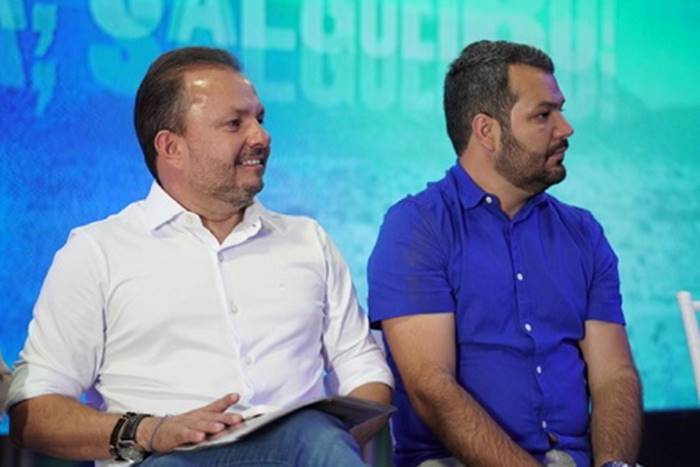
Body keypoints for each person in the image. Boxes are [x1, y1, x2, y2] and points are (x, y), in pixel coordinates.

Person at [7, 46, 393, 467]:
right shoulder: (98, 251)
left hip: (303, 452)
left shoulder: (307, 240)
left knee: (315, 433)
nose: (261, 137)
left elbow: (362, 368)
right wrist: (151, 432)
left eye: (260, 119)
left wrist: (331, 441)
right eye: (235, 123)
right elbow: (35, 413)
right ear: (171, 147)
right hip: (168, 457)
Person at [367, 40, 642, 467]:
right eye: (543, 115)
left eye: (560, 111)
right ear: (487, 131)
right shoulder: (417, 227)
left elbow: (614, 375)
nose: (566, 128)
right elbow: (431, 387)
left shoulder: (583, 232)